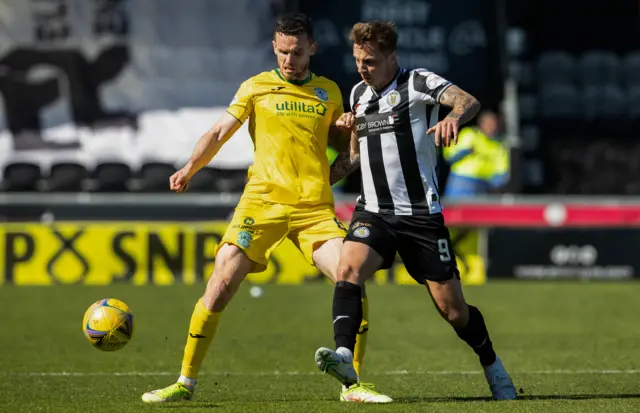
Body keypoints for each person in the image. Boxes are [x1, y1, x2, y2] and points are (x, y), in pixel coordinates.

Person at [141, 13, 391, 404]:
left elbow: (347, 152)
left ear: (312, 48)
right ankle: (184, 382)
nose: (288, 59)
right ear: (274, 47)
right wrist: (191, 167)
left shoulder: (329, 92)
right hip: (262, 203)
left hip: (313, 209)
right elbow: (219, 131)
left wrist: (351, 128)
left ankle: (353, 382)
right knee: (221, 283)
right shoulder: (256, 87)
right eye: (282, 51)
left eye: (296, 51)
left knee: (351, 277)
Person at [314, 21, 517, 401]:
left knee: (453, 311)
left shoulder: (418, 82)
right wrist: (322, 180)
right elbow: (355, 156)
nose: (362, 68)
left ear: (392, 57)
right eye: (358, 60)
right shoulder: (357, 94)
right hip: (373, 211)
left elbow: (467, 100)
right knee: (348, 268)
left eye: (370, 61)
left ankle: (491, 362)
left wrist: (453, 118)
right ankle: (344, 355)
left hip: (420, 217)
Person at [443, 110, 510, 198]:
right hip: (461, 181)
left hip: (483, 184)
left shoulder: (498, 145)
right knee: (455, 210)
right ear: (481, 124)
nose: (492, 128)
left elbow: (502, 168)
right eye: (489, 124)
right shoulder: (470, 135)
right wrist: (465, 151)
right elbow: (449, 155)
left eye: (494, 125)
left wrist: (497, 181)